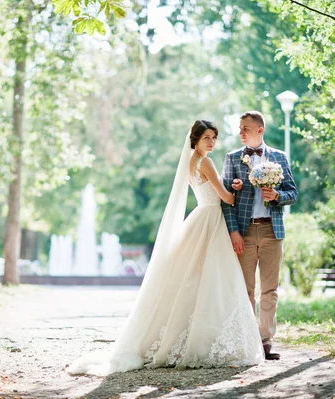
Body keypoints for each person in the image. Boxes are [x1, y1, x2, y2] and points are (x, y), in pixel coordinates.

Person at [67, 120, 264, 376]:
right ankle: (202, 340)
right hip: (211, 220)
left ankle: (186, 337)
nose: (212, 142)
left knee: (194, 280)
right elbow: (225, 198)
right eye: (207, 137)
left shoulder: (190, 161)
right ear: (195, 139)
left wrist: (230, 188)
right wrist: (243, 186)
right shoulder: (205, 161)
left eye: (214, 137)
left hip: (199, 217)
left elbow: (213, 190)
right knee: (215, 280)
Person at [222, 111, 298, 361]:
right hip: (243, 231)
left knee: (270, 289)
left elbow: (293, 194)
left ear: (260, 130)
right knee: (245, 289)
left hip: (271, 230)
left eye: (245, 128)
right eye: (240, 128)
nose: (241, 132)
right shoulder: (233, 157)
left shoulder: (280, 157)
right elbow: (225, 201)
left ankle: (265, 340)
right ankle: (246, 339)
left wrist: (277, 196)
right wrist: (233, 231)